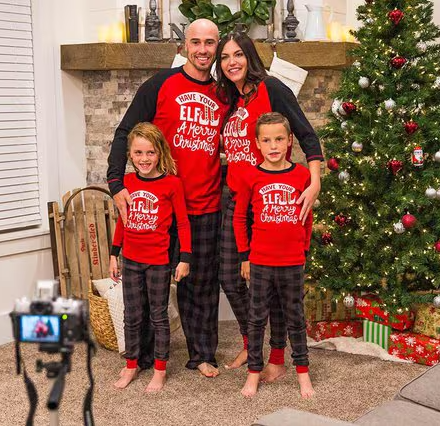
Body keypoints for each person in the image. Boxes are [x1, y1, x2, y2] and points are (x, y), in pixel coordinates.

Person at [107, 19, 227, 377]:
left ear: (217, 47)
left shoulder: (225, 93)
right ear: (184, 45)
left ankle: (202, 354)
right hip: (157, 208)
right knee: (144, 290)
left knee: (200, 285)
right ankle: (141, 358)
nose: (203, 50)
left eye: (209, 43)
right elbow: (124, 132)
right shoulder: (160, 84)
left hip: (204, 205)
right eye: (196, 42)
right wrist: (117, 184)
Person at [215, 31, 323, 378]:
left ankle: (276, 355)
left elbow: (306, 134)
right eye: (225, 57)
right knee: (230, 276)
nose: (232, 62)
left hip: (271, 197)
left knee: (275, 286)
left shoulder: (272, 89)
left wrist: (315, 181)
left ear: (250, 56)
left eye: (238, 55)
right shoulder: (229, 99)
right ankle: (252, 343)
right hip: (236, 197)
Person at [233, 112, 315, 398]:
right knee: (257, 319)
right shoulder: (250, 175)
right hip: (261, 261)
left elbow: (307, 217)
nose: (273, 145)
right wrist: (245, 255)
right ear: (257, 143)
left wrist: (303, 250)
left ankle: (303, 374)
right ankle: (253, 372)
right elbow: (240, 218)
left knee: (295, 317)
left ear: (289, 140)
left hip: (292, 261)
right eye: (266, 140)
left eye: (279, 139)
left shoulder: (302, 175)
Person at [109, 122, 191, 392]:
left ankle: (159, 368)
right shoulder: (127, 184)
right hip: (130, 261)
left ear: (160, 154)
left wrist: (184, 258)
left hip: (158, 262)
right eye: (138, 153)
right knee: (131, 315)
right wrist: (113, 255)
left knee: (158, 315)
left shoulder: (172, 184)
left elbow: (182, 225)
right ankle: (132, 364)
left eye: (150, 153)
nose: (144, 159)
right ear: (130, 155)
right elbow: (122, 221)